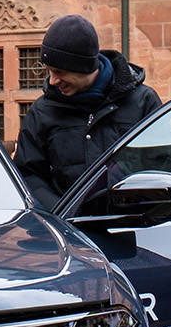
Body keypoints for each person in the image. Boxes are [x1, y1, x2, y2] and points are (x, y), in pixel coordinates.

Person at [12, 14, 162, 210]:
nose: (52, 81)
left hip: (135, 232)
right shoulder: (41, 111)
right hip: (68, 233)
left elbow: (165, 168)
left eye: (60, 72)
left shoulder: (143, 102)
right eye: (48, 71)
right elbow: (28, 176)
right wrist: (63, 216)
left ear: (85, 67)